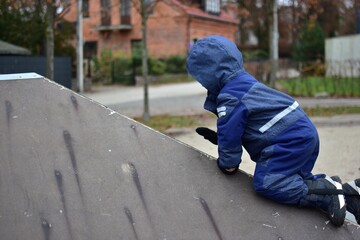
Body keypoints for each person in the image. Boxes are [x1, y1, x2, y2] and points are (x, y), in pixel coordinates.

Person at [186, 35, 360, 227]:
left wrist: (228, 164)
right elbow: (252, 123)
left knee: (268, 183)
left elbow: (231, 150)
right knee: (293, 180)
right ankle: (348, 195)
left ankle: (328, 194)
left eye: (201, 77)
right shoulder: (244, 82)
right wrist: (222, 138)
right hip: (301, 132)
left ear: (210, 73)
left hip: (287, 140)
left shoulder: (230, 97)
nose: (202, 83)